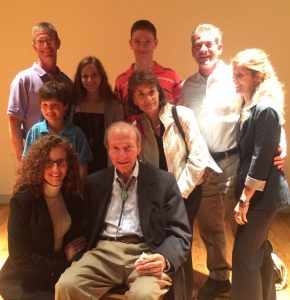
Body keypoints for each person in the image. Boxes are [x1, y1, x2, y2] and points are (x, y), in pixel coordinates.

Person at [181, 24, 286, 300]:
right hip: (204, 165)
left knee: (244, 226)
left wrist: (283, 139)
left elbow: (269, 113)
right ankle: (218, 277)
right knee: (210, 226)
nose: (203, 49)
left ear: (219, 47)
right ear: (192, 50)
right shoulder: (187, 86)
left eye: (209, 44)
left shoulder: (235, 76)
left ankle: (265, 265)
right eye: (197, 45)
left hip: (233, 163)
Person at [55, 121, 192, 300]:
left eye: (128, 147)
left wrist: (165, 258)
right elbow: (84, 224)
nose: (122, 155)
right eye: (115, 148)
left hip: (145, 253)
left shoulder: (163, 182)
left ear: (139, 146)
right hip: (104, 251)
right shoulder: (94, 183)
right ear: (107, 149)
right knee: (66, 286)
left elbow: (180, 230)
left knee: (143, 295)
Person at [127, 70, 221, 299]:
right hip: (161, 196)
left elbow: (198, 158)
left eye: (151, 92)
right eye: (140, 94)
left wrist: (178, 193)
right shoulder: (137, 125)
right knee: (164, 240)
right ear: (133, 98)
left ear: (159, 92)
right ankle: (170, 293)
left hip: (189, 189)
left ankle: (184, 295)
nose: (147, 98)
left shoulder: (182, 115)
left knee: (180, 242)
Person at [231, 48, 290, 300]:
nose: (235, 80)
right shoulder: (249, 105)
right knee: (259, 252)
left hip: (260, 199)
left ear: (258, 76)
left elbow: (260, 159)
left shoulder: (264, 109)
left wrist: (244, 199)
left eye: (240, 75)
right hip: (259, 197)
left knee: (244, 257)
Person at [0, 135, 86, 300]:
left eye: (61, 162)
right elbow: (20, 258)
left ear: (68, 165)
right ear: (38, 165)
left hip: (58, 274)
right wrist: (62, 260)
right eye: (48, 162)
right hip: (26, 279)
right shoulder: (23, 201)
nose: (56, 169)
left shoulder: (72, 197)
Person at [7, 22, 73, 163]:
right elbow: (14, 121)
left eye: (50, 41)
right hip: (36, 158)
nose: (46, 46)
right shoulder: (24, 80)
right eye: (40, 41)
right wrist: (22, 162)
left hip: (62, 160)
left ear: (58, 43)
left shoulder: (67, 82)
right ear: (34, 46)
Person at [23, 81, 93, 184]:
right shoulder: (35, 131)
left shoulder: (76, 133)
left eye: (55, 105)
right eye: (45, 105)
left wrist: (79, 190)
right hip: (40, 188)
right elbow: (27, 163)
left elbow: (82, 167)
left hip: (69, 189)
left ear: (65, 106)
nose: (49, 110)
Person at [114, 19, 182, 120]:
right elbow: (118, 117)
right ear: (130, 43)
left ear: (156, 43)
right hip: (133, 135)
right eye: (137, 41)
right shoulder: (121, 81)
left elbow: (180, 113)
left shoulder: (171, 77)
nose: (142, 46)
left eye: (147, 41)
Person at [72, 56, 124, 174]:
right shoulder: (73, 105)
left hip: (106, 165)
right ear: (79, 79)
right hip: (78, 168)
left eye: (94, 75)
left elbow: (120, 140)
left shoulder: (114, 106)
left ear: (101, 76)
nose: (90, 80)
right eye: (85, 76)